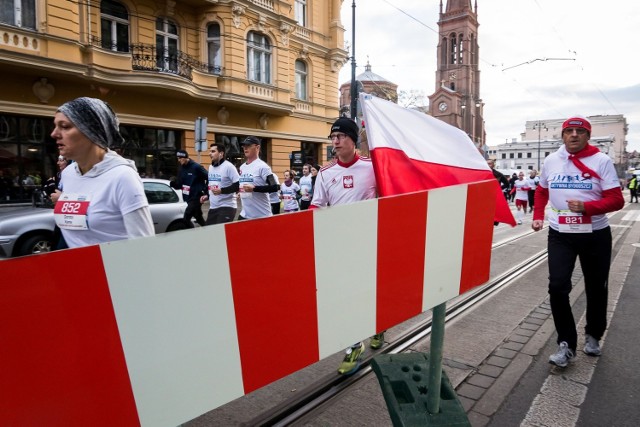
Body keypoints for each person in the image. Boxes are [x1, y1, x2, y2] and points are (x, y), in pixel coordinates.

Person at [532, 117, 624, 368]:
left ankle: (593, 334)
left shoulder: (601, 160)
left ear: (587, 136)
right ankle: (566, 343)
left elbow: (616, 200)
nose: (574, 135)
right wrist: (538, 216)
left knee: (596, 286)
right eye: (569, 131)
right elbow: (541, 190)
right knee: (558, 286)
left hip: (595, 234)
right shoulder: (552, 160)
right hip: (561, 234)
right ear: (562, 136)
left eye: (579, 131)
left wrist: (588, 207)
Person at [311, 117, 382, 375]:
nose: (336, 141)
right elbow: (316, 206)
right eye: (333, 137)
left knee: (369, 292)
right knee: (344, 296)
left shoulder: (372, 167)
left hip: (368, 244)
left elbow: (390, 197)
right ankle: (354, 345)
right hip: (340, 247)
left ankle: (378, 324)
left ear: (354, 140)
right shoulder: (326, 173)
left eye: (341, 136)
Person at [50, 97, 154, 248]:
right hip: (73, 268)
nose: (54, 134)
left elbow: (144, 244)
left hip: (111, 269)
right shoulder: (68, 174)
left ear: (91, 132)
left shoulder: (123, 177)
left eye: (65, 126)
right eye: (55, 126)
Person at [237, 136, 279, 220]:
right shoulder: (242, 167)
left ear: (257, 147)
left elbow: (275, 187)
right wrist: (240, 192)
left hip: (261, 215)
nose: (245, 148)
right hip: (245, 214)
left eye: (248, 146)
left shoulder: (263, 167)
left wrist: (254, 188)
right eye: (244, 146)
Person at [199, 143, 240, 225]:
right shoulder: (211, 167)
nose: (209, 153)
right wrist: (207, 195)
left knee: (220, 234)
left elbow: (238, 184)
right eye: (210, 151)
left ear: (221, 153)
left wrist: (222, 191)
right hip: (213, 207)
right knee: (209, 233)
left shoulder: (229, 166)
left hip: (227, 206)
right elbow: (210, 183)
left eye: (213, 151)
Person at [172, 149, 208, 227]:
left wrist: (205, 191)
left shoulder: (196, 167)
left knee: (186, 218)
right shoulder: (181, 168)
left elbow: (209, 177)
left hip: (196, 197)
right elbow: (180, 184)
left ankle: (189, 235)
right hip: (188, 197)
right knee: (198, 217)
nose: (179, 160)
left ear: (185, 157)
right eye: (178, 158)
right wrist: (174, 184)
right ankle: (210, 231)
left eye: (180, 158)